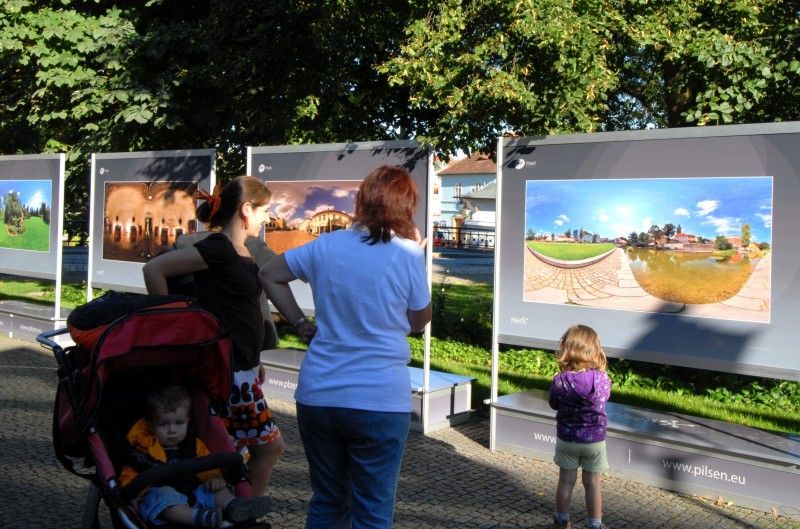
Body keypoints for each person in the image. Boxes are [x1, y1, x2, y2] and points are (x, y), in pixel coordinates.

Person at [258, 165, 432, 529]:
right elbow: (419, 321)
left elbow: (269, 275)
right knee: (372, 509)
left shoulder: (326, 245)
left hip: (319, 394)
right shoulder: (408, 254)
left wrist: (301, 324)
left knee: (328, 500)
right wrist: (418, 260)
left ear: (363, 200)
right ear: (405, 206)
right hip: (379, 399)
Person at [143, 176, 285, 497]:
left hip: (243, 371)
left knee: (233, 454)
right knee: (262, 450)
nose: (266, 219)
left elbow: (242, 311)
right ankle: (239, 512)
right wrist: (173, 326)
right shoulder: (218, 248)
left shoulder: (242, 250)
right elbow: (154, 271)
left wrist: (255, 362)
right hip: (227, 374)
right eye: (264, 211)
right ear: (247, 209)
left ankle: (228, 508)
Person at [120, 385, 271, 528]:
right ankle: (202, 518)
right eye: (163, 424)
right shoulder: (143, 449)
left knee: (217, 490)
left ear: (188, 422)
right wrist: (134, 493)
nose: (172, 430)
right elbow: (131, 474)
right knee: (161, 497)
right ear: (151, 426)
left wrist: (213, 478)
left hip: (194, 491)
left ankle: (235, 506)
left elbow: (206, 464)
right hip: (164, 496)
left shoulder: (194, 444)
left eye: (179, 423)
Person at [548, 325, 612, 529]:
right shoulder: (602, 380)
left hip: (567, 439)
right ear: (594, 349)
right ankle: (595, 524)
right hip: (594, 441)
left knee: (566, 481)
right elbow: (605, 398)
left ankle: (561, 521)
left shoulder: (560, 381)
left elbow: (553, 404)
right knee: (593, 483)